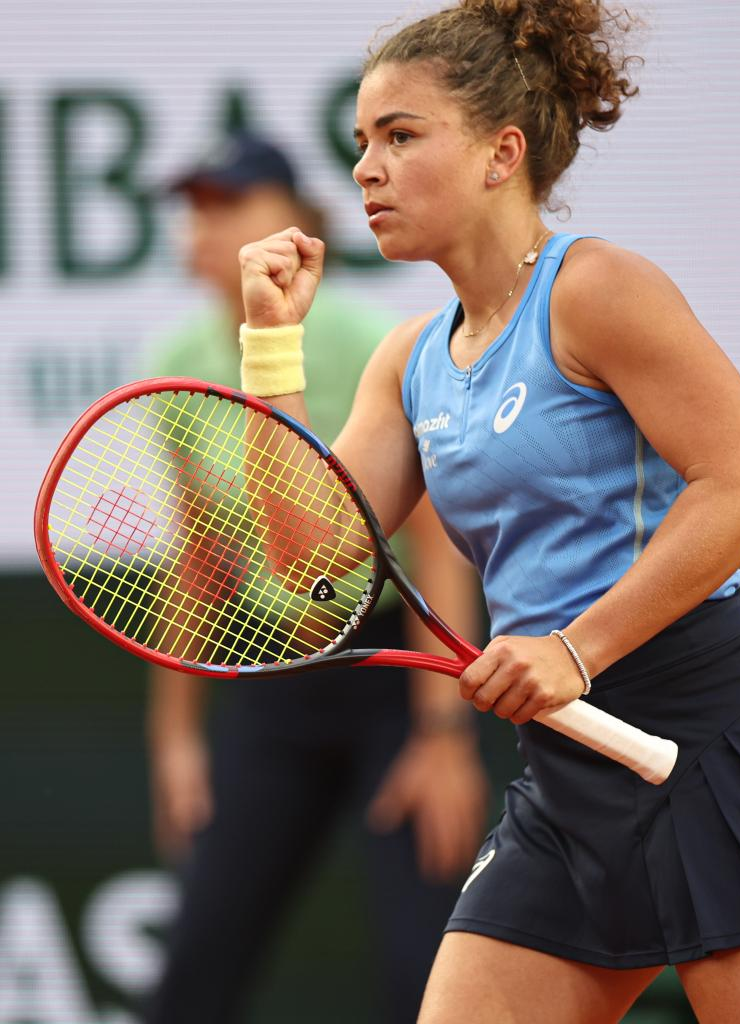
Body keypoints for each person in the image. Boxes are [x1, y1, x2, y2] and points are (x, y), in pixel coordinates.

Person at [233, 2, 740, 1021]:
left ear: (501, 153)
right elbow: (304, 552)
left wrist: (574, 649)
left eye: (400, 136)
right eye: (361, 141)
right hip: (567, 777)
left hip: (707, 740)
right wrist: (270, 347)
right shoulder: (408, 362)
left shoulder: (597, 289)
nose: (365, 169)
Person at [143, 131, 489, 1024]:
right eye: (195, 208)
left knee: (425, 980)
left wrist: (442, 735)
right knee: (195, 971)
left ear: (297, 220)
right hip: (273, 676)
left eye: (230, 202)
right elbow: (197, 560)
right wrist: (177, 741)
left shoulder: (363, 343)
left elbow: (433, 545)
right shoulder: (173, 363)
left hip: (396, 678)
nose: (205, 226)